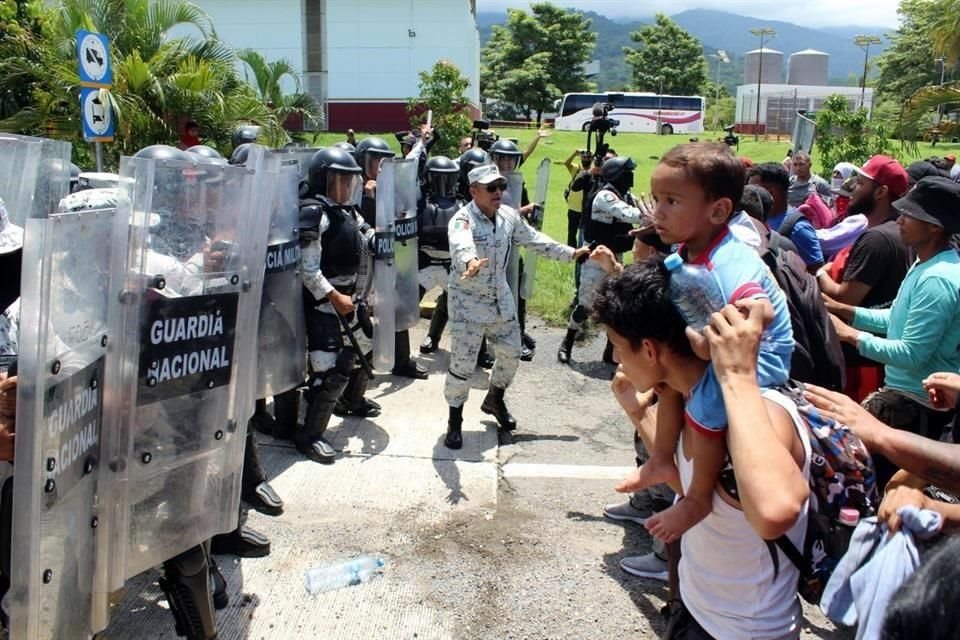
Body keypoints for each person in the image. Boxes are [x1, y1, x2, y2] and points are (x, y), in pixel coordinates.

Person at [594, 261, 810, 640]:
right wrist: (636, 410)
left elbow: (775, 510)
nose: (616, 360)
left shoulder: (755, 414)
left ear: (649, 349)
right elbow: (706, 491)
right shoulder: (693, 401)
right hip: (698, 612)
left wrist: (738, 376)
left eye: (615, 346)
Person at [627, 143, 794, 544]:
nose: (657, 212)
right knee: (668, 383)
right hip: (722, 348)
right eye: (656, 199)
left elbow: (760, 310)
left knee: (703, 403)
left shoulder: (731, 259)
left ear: (717, 211)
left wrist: (706, 340)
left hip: (760, 360)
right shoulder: (689, 249)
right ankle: (662, 460)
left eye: (671, 201)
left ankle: (697, 497)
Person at [826, 177, 960, 488]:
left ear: (934, 228)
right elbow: (896, 320)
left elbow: (912, 355)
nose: (899, 219)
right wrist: (846, 310)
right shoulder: (926, 265)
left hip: (915, 409)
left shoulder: (937, 279)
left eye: (909, 215)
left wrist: (850, 335)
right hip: (907, 400)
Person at [443, 164, 589, 449]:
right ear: (474, 191)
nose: (498, 192)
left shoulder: (509, 217)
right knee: (462, 366)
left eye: (501, 186)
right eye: (491, 188)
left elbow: (535, 240)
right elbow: (460, 244)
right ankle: (455, 422)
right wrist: (469, 262)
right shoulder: (462, 220)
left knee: (511, 353)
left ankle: (495, 398)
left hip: (500, 301)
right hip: (468, 306)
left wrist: (572, 254)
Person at [297, 147, 380, 463]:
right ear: (324, 179)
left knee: (363, 351)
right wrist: (334, 296)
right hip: (324, 306)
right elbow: (308, 270)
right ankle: (310, 436)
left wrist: (379, 240)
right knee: (327, 371)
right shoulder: (314, 213)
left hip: (352, 301)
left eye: (350, 181)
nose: (347, 187)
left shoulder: (350, 212)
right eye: (340, 181)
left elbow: (366, 236)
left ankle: (352, 402)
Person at [816, 155, 912, 403]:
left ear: (880, 192)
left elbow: (845, 297)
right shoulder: (899, 231)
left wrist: (820, 273)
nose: (853, 189)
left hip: (863, 359)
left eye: (860, 183)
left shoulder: (877, 239)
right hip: (878, 356)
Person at [558, 156, 651, 366]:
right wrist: (652, 216)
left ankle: (610, 351)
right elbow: (628, 214)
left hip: (615, 256)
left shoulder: (625, 195)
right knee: (586, 306)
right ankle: (568, 341)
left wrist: (653, 212)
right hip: (596, 257)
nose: (631, 176)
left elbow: (638, 208)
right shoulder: (605, 196)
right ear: (617, 175)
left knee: (615, 303)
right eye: (627, 173)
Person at [355, 135, 429, 380]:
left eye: (384, 161)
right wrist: (367, 197)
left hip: (389, 255)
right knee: (363, 313)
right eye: (375, 161)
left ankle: (402, 360)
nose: (380, 166)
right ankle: (362, 368)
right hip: (364, 262)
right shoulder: (353, 185)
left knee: (396, 304)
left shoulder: (391, 186)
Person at [488, 138, 538, 361]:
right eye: (503, 158)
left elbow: (521, 213)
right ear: (495, 159)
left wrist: (531, 214)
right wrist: (520, 211)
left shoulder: (517, 183)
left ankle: (518, 335)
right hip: (491, 249)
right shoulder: (487, 184)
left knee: (517, 291)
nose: (507, 163)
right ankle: (491, 342)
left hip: (512, 246)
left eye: (511, 159)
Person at [417, 156, 464, 355]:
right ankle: (397, 352)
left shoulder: (463, 204)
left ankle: (434, 336)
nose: (444, 185)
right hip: (423, 260)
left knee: (455, 301)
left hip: (450, 262)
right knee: (405, 303)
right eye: (438, 179)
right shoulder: (418, 203)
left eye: (448, 179)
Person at [748, 162, 825, 271]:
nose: (747, 194)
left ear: (770, 192)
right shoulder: (757, 218)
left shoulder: (799, 229)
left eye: (753, 190)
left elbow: (817, 273)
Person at [560, 149, 593, 248]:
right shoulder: (576, 169)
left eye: (588, 157)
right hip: (573, 208)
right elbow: (567, 163)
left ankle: (583, 250)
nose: (586, 159)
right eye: (584, 157)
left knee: (585, 232)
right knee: (572, 232)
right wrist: (574, 153)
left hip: (586, 209)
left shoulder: (594, 172)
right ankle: (571, 251)